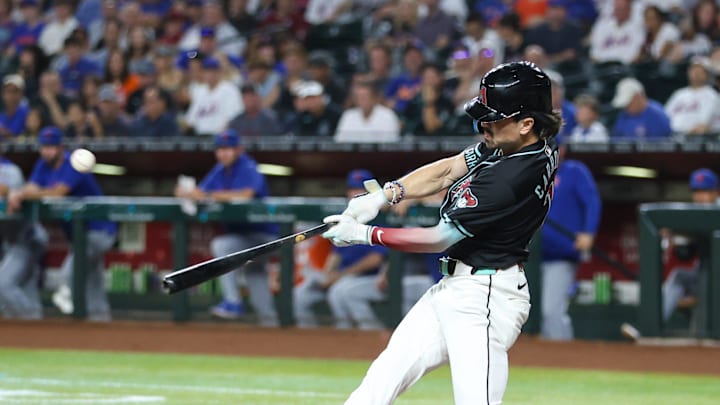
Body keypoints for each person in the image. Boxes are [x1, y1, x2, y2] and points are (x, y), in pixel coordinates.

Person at [322, 61, 560, 404]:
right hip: (453, 288)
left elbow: (439, 238)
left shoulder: (510, 177)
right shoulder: (517, 143)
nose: (483, 126)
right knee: (377, 386)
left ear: (526, 123)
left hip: (486, 297)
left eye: (493, 118)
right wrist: (384, 195)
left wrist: (365, 234)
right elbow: (449, 169)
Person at [7, 127, 117, 321]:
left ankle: (75, 312)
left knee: (69, 273)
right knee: (93, 278)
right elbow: (31, 187)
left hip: (99, 229)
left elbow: (58, 193)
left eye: (51, 147)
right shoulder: (42, 165)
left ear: (60, 147)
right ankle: (100, 319)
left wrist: (24, 193)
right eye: (44, 147)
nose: (47, 151)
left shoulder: (73, 163)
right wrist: (20, 192)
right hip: (78, 233)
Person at [174, 129, 279, 326]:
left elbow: (246, 194)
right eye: (220, 149)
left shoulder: (248, 165)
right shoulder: (219, 170)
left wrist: (205, 195)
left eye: (228, 149)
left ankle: (233, 302)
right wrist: (187, 192)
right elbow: (201, 192)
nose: (224, 153)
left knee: (222, 246)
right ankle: (271, 324)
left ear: (238, 149)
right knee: (255, 275)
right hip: (243, 238)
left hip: (264, 236)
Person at [621, 168, 720, 341]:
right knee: (679, 276)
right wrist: (677, 236)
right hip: (706, 280)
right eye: (696, 192)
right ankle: (648, 331)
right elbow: (687, 253)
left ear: (716, 192)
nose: (700, 197)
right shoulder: (695, 215)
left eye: (705, 191)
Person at [293, 169, 389, 330]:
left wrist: (339, 276)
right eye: (352, 189)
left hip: (370, 278)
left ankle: (366, 335)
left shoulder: (382, 218)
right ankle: (312, 339)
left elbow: (376, 259)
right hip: (343, 276)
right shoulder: (348, 217)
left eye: (360, 190)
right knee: (300, 294)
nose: (355, 194)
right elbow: (337, 252)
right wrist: (328, 273)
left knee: (340, 292)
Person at [540, 137, 601, 340]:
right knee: (532, 314)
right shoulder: (530, 173)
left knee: (551, 311)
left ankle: (561, 358)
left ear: (562, 150)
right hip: (529, 257)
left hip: (561, 255)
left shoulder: (574, 171)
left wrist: (588, 232)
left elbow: (592, 202)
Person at [0, 149, 47, 319]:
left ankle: (31, 325)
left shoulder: (10, 170)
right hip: (9, 240)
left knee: (4, 284)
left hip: (26, 237)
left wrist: (9, 192)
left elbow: (12, 195)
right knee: (25, 286)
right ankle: (32, 322)